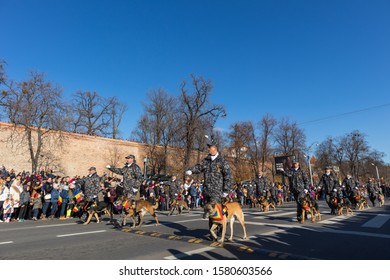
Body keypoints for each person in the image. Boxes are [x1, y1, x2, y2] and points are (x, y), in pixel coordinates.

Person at [186, 136, 233, 239]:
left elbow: (228, 176)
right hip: (207, 191)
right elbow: (199, 167)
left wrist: (226, 191)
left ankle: (220, 230)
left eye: (210, 147)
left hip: (218, 191)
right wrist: (191, 170)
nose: (208, 149)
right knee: (210, 211)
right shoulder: (206, 160)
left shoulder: (222, 161)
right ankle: (212, 233)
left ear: (215, 148)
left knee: (218, 211)